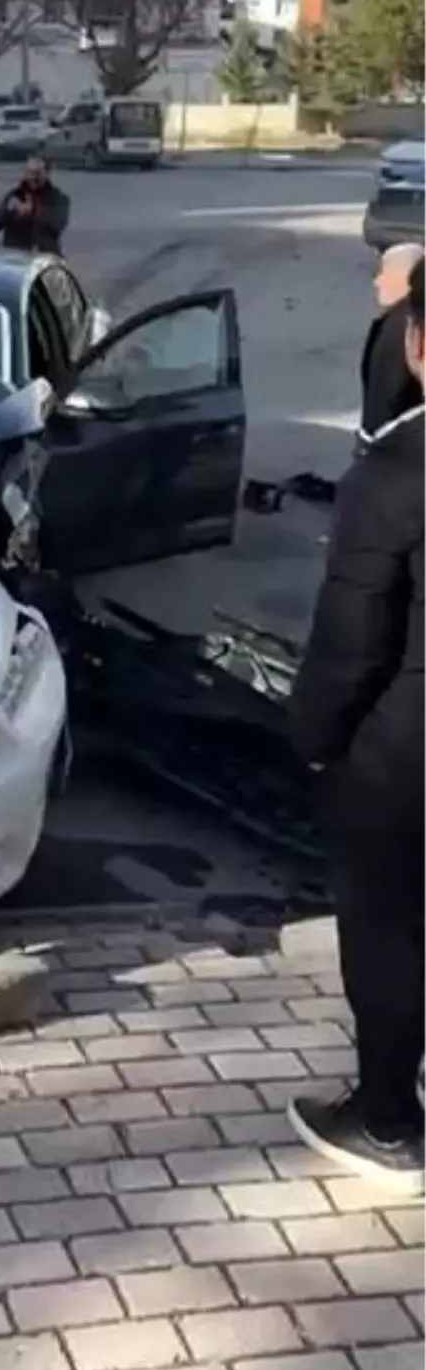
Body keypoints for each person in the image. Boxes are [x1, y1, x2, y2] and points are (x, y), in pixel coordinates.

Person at [286, 252, 426, 1188]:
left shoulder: (395, 472)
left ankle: (386, 1123)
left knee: (384, 933)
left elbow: (351, 642)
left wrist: (311, 740)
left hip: (402, 756)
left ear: (417, 344)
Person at [359, 241, 422, 442]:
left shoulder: (404, 326)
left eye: (384, 272)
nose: (377, 282)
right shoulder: (392, 320)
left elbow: (392, 391)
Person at [0, 151, 70, 254]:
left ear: (47, 173)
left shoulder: (58, 198)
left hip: (45, 257)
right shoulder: (15, 195)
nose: (32, 177)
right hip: (15, 258)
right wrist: (8, 211)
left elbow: (56, 225)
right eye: (29, 172)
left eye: (37, 173)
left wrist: (32, 211)